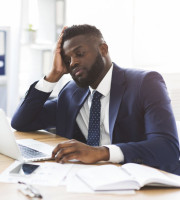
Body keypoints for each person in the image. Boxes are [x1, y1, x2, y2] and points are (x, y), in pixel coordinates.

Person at [11, 24, 180, 174]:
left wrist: (101, 152)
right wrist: (53, 75)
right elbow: (22, 122)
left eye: (79, 53)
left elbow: (167, 148)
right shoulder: (71, 92)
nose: (73, 63)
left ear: (103, 49)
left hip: (148, 181)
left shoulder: (145, 83)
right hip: (92, 179)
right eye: (67, 59)